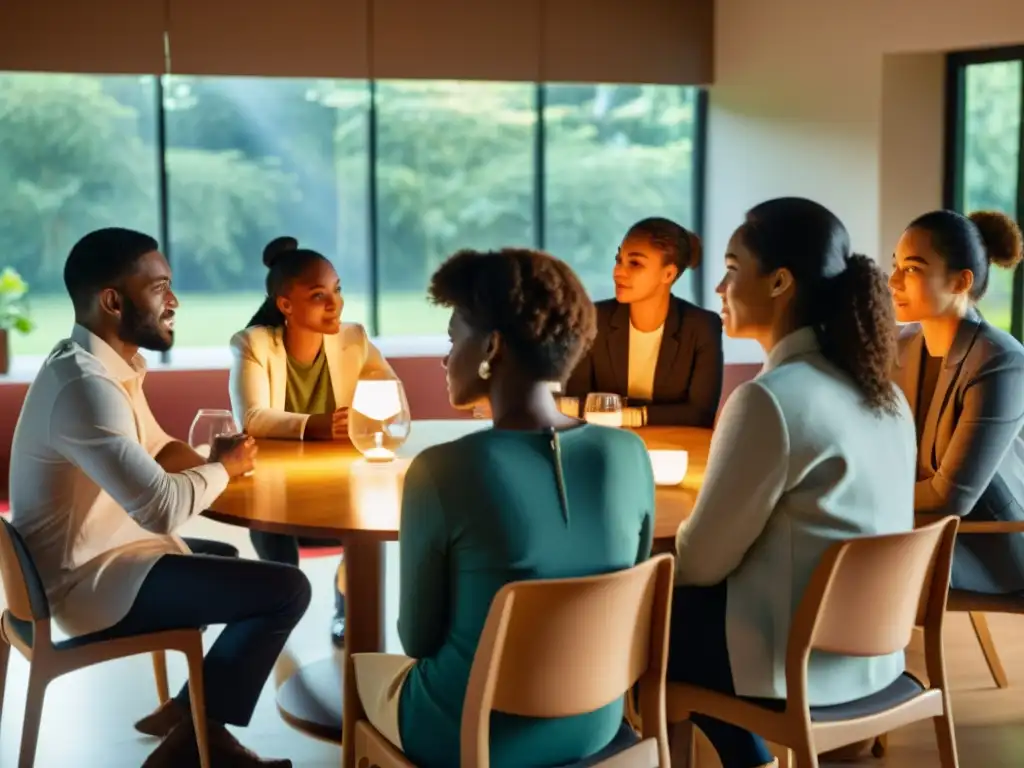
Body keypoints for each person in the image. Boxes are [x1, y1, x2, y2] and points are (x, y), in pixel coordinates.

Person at [9, 228, 310, 767]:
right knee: (285, 589)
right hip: (82, 587)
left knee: (226, 562)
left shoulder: (96, 365)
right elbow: (160, 508)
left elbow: (159, 446)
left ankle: (193, 718)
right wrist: (224, 468)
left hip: (97, 559)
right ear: (112, 300)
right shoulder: (87, 389)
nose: (174, 301)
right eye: (160, 288)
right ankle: (194, 744)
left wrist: (208, 462)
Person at [350, 248, 654, 767]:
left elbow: (418, 639)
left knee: (360, 671)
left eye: (453, 340)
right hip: (596, 724)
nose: (445, 359)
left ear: (492, 346)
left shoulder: (443, 470)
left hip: (471, 733)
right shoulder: (629, 454)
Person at [669, 199, 917, 768]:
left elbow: (700, 563)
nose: (719, 288)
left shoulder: (771, 400)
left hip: (792, 663)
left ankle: (749, 759)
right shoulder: (885, 395)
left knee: (645, 623)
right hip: (876, 656)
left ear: (780, 281)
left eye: (733, 269)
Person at [229, 236, 395, 647]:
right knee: (272, 531)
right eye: (318, 295)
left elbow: (390, 395)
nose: (335, 303)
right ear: (286, 305)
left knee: (368, 520)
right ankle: (275, 618)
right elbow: (250, 417)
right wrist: (318, 424)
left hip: (341, 481)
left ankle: (348, 610)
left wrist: (374, 413)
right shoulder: (253, 344)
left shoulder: (353, 340)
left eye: (337, 290)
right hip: (276, 485)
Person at [889, 209, 1024, 593]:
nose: (893, 280)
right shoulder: (901, 345)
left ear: (960, 281)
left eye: (911, 269)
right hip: (916, 526)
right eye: (895, 265)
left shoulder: (1001, 361)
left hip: (987, 544)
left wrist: (859, 495)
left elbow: (951, 498)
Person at [563, 217, 723, 426]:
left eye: (635, 263)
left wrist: (626, 416)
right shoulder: (593, 318)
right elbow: (577, 404)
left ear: (668, 273)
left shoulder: (702, 326)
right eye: (618, 259)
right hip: (605, 445)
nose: (618, 272)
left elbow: (701, 413)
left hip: (677, 448)